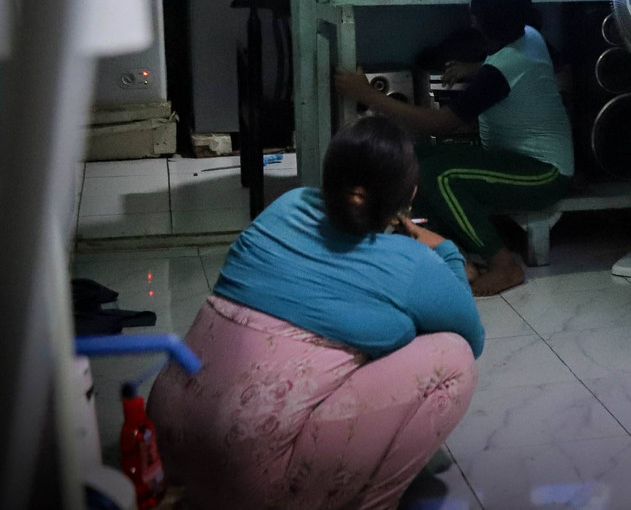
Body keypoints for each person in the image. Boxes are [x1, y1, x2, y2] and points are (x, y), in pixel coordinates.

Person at [147, 116, 483, 510]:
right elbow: (472, 337)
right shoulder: (411, 264)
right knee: (454, 358)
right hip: (245, 482)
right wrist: (446, 252)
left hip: (160, 446)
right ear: (408, 196)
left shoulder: (287, 205)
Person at [334, 0, 574, 296]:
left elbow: (440, 124)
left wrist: (369, 96)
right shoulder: (529, 35)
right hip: (516, 159)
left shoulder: (500, 72)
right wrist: (475, 68)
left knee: (438, 176)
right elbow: (528, 68)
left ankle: (503, 265)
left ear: (475, 17)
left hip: (544, 174)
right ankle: (442, 252)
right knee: (412, 160)